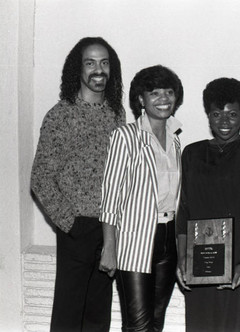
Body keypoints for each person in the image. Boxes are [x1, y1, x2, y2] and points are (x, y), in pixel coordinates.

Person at [30, 37, 125, 332]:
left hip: (110, 228)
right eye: (90, 62)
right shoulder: (61, 115)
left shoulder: (116, 115)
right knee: (69, 316)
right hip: (77, 228)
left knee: (98, 315)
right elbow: (41, 177)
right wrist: (70, 224)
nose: (99, 70)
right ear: (78, 68)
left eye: (105, 63)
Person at [176, 78, 240, 332]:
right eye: (217, 114)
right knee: (200, 321)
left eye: (232, 114)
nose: (224, 121)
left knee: (236, 321)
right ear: (208, 115)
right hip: (199, 255)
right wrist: (182, 259)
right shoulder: (192, 153)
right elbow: (184, 209)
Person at [99, 65, 183, 331]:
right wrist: (109, 247)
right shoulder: (125, 136)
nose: (164, 99)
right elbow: (110, 196)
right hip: (135, 240)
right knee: (138, 325)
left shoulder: (176, 140)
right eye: (155, 93)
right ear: (141, 100)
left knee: (156, 322)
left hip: (169, 238)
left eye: (169, 92)